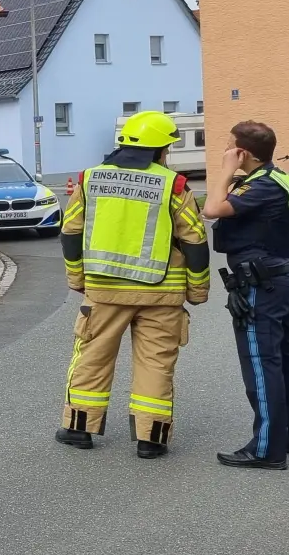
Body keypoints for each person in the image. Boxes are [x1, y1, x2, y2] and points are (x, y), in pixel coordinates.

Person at [57, 111, 210, 459]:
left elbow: (70, 232)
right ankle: (151, 439)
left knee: (92, 358)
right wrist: (198, 290)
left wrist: (77, 277)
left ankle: (79, 429)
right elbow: (195, 241)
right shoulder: (174, 185)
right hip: (162, 294)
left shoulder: (90, 179)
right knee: (156, 364)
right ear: (160, 149)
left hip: (105, 291)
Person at [200, 120, 289, 470]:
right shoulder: (279, 179)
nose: (226, 150)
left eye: (231, 146)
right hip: (278, 278)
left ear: (245, 152)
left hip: (261, 283)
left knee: (261, 363)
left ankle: (266, 449)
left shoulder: (260, 186)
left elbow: (212, 209)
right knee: (285, 359)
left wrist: (225, 171)